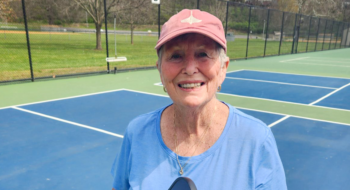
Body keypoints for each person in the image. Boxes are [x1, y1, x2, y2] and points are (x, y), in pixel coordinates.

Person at [111, 9, 287, 190]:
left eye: (203, 54)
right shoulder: (137, 133)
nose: (189, 68)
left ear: (223, 69)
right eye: (176, 56)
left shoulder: (256, 140)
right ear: (160, 70)